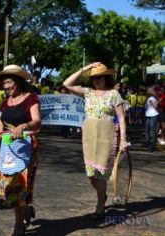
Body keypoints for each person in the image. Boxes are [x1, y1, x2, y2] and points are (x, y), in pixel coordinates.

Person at [0, 65, 41, 236]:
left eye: (8, 82)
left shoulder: (31, 98)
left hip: (26, 149)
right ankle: (26, 212)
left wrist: (24, 125)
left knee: (20, 187)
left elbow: (37, 121)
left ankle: (18, 226)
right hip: (8, 151)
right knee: (10, 188)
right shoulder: (5, 103)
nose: (5, 86)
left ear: (18, 82)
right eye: (3, 83)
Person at [63, 62, 128, 220]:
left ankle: (100, 206)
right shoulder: (88, 92)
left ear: (106, 78)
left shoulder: (113, 94)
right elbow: (66, 83)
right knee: (91, 174)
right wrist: (85, 68)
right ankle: (102, 195)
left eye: (100, 77)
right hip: (90, 135)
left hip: (106, 135)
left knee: (102, 173)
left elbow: (121, 118)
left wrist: (123, 139)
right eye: (94, 78)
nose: (96, 80)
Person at [144, 86, 159, 152]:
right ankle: (147, 142)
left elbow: (156, 106)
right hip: (149, 115)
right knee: (147, 129)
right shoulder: (149, 98)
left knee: (152, 130)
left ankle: (153, 144)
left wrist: (152, 103)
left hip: (153, 115)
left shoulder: (152, 98)